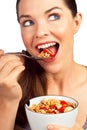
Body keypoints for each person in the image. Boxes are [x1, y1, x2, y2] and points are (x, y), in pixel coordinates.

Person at [0, 0, 87, 130]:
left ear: (76, 22)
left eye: (54, 16)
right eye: (28, 22)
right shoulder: (9, 81)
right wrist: (7, 101)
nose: (40, 32)